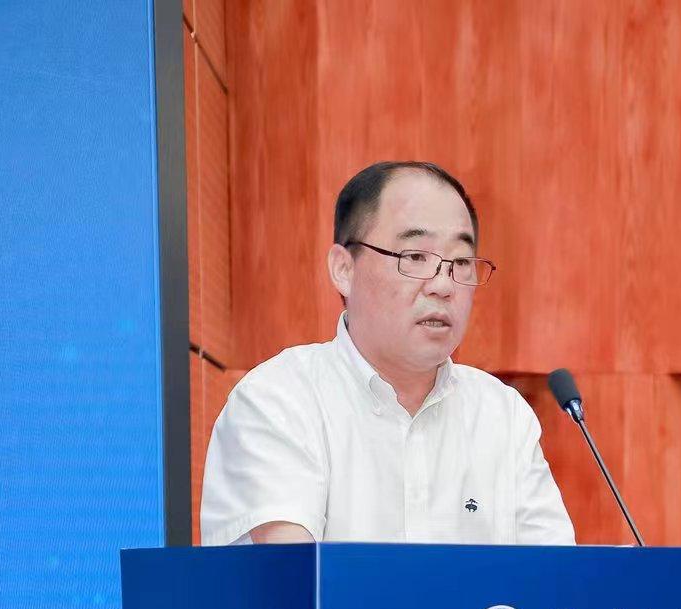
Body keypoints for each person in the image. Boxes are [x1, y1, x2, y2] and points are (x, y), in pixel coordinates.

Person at [200, 161, 575, 547]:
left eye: (461, 262)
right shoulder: (279, 399)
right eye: (415, 257)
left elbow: (555, 575)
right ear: (344, 269)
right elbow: (296, 576)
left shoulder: (503, 416)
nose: (443, 285)